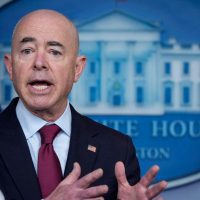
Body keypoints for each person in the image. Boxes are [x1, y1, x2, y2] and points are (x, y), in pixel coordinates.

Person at [0, 9, 167, 200]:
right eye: (27, 51)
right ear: (11, 67)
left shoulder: (117, 149)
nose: (39, 63)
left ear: (77, 69)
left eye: (54, 52)